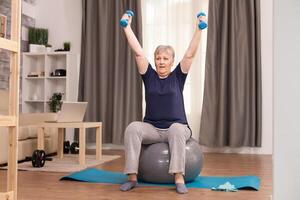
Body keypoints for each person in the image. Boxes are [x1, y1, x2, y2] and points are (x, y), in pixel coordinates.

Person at [119, 12, 206, 194]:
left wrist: (199, 29)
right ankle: (132, 177)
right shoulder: (149, 76)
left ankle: (178, 177)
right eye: (158, 58)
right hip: (153, 129)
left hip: (178, 127)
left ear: (172, 61)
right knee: (133, 128)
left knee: (175, 128)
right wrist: (127, 27)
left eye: (165, 58)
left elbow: (190, 55)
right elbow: (138, 52)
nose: (161, 62)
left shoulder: (177, 76)